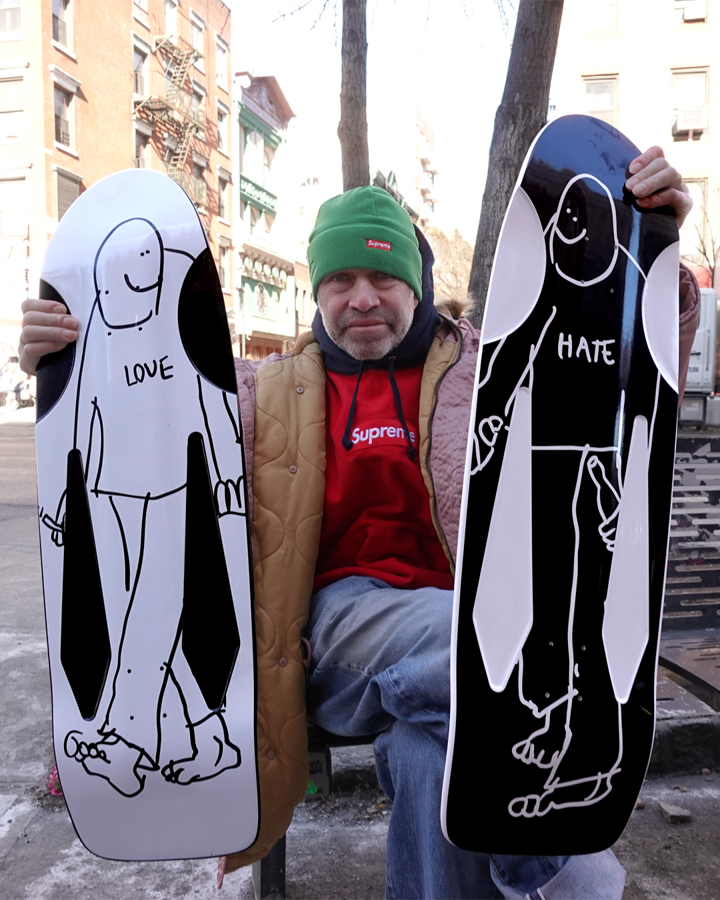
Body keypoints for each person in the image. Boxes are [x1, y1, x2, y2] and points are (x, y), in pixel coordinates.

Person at [20, 146, 700, 899]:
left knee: (429, 754)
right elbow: (143, 406)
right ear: (318, 292)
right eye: (340, 281)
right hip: (333, 637)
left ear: (416, 285)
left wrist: (655, 256)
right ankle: (570, 874)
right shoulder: (259, 391)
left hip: (463, 635)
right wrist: (64, 358)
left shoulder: (490, 369)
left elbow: (617, 375)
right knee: (469, 640)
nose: (363, 298)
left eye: (383, 277)